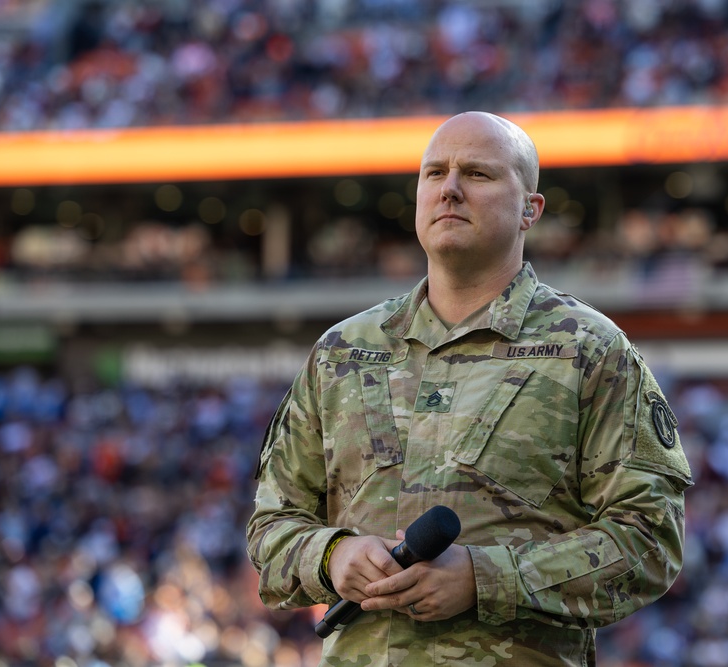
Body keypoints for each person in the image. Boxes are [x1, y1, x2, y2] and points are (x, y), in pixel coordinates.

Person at [246, 111, 693, 666]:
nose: (450, 189)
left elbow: (651, 543)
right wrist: (333, 554)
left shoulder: (590, 351)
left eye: (477, 175)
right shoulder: (342, 351)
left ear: (531, 209)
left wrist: (487, 579)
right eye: (434, 174)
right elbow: (271, 527)